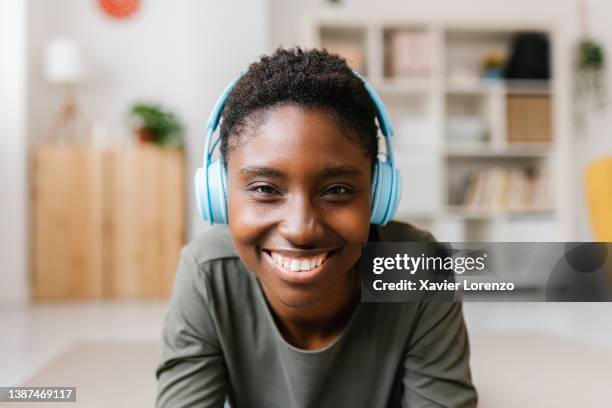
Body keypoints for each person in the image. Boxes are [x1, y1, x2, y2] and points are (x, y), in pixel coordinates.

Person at [155, 47, 477, 408]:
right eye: (265, 189)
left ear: (378, 194)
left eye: (336, 190)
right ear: (219, 195)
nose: (301, 229)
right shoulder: (207, 271)